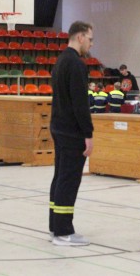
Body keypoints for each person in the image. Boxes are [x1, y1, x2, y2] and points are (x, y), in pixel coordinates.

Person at [49, 21, 95, 247]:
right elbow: (80, 103)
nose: (91, 43)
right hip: (71, 132)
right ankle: (63, 231)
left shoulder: (60, 61)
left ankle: (55, 225)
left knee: (59, 177)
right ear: (80, 37)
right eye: (90, 38)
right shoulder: (76, 64)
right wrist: (88, 133)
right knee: (68, 179)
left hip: (59, 127)